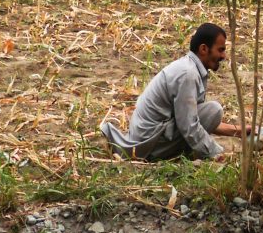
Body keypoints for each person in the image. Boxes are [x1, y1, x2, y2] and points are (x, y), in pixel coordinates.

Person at [99, 23, 247, 161]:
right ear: (203, 49)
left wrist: (241, 132)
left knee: (213, 111)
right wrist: (218, 154)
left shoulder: (189, 68)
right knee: (214, 110)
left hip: (149, 137)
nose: (223, 56)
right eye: (220, 50)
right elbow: (190, 126)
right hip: (149, 146)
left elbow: (194, 119)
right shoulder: (188, 74)